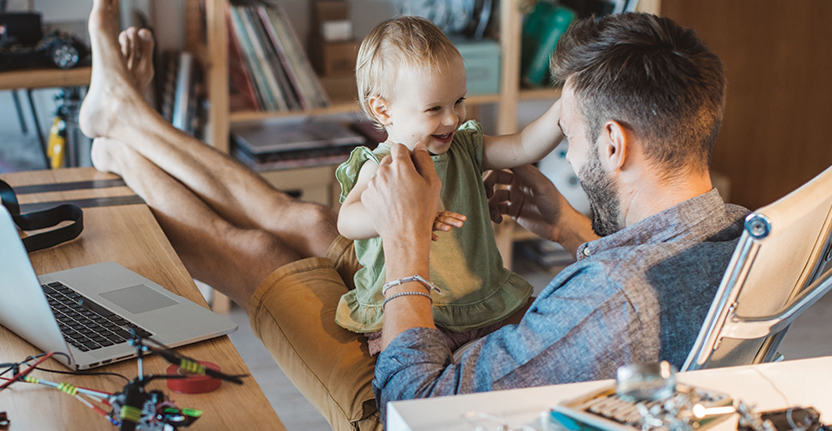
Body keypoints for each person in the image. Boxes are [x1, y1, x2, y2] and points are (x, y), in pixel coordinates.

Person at [79, 1, 746, 430]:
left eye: (570, 133)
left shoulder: (609, 301)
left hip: (415, 391)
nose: (564, 150)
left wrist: (405, 238)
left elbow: (416, 405)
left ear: (613, 144)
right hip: (444, 321)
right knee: (306, 222)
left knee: (258, 253)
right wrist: (574, 230)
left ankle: (123, 153)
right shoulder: (734, 234)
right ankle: (127, 121)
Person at [335, 16, 562, 355]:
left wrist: (564, 108)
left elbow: (524, 145)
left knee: (547, 338)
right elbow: (346, 221)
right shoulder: (382, 167)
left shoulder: (466, 146)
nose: (452, 118)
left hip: (483, 300)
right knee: (416, 363)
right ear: (383, 110)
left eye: (458, 101)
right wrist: (409, 215)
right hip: (418, 309)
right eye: (434, 109)